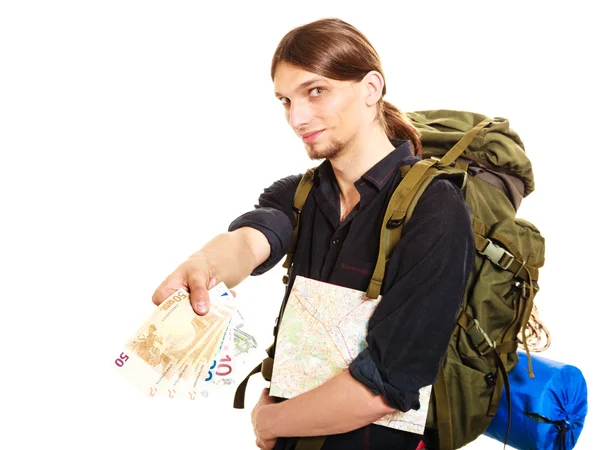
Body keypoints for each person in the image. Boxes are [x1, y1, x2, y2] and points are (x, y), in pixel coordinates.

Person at [152, 17, 475, 450]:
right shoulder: (298, 194)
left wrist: (271, 423)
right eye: (285, 100)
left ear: (371, 88)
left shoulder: (436, 208)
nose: (297, 117)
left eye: (315, 90)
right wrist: (205, 265)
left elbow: (386, 385)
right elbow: (253, 238)